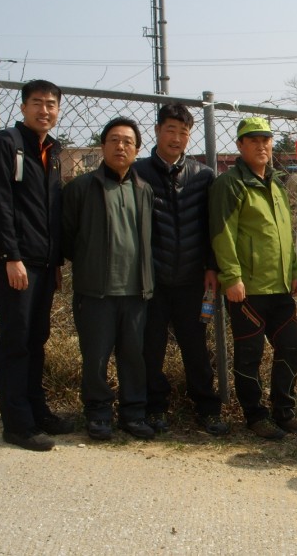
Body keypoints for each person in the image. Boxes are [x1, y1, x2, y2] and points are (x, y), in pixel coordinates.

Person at [0, 79, 71, 451]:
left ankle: (37, 411)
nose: (44, 110)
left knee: (36, 339)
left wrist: (56, 262)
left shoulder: (52, 151)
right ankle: (17, 424)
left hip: (44, 264)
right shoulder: (6, 144)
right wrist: (10, 257)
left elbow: (51, 211)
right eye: (37, 103)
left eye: (51, 104)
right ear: (23, 107)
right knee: (15, 341)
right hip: (16, 264)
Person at [209, 116, 297, 439]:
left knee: (291, 346)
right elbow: (222, 233)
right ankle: (255, 416)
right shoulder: (230, 184)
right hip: (248, 290)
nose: (261, 145)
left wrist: (293, 272)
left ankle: (285, 412)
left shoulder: (277, 185)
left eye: (266, 139)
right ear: (240, 145)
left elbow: (286, 235)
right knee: (249, 355)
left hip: (279, 288)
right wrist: (232, 277)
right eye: (253, 140)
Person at [133, 104, 228, 436]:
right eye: (170, 130)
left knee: (196, 346)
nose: (176, 138)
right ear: (157, 131)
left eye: (183, 132)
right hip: (151, 279)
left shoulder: (203, 176)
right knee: (151, 346)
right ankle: (154, 407)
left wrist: (212, 267)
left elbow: (212, 226)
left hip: (192, 278)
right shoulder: (137, 173)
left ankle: (207, 408)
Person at [62, 117, 155, 441]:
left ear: (137, 150)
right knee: (96, 358)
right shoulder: (81, 188)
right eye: (114, 140)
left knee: (133, 358)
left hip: (136, 292)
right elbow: (66, 236)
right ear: (102, 146)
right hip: (95, 292)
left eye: (128, 141)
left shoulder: (144, 190)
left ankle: (133, 414)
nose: (120, 146)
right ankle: (98, 414)